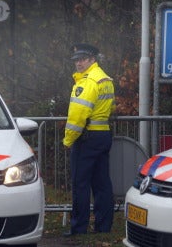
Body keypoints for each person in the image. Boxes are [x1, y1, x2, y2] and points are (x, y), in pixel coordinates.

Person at [63, 43, 116, 236]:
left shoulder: (88, 81)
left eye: (82, 59)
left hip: (87, 138)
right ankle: (103, 227)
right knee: (102, 184)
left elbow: (78, 116)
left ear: (92, 59)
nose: (78, 63)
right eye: (76, 59)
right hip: (103, 135)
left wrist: (68, 140)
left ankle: (79, 228)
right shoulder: (105, 79)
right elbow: (111, 108)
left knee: (81, 184)